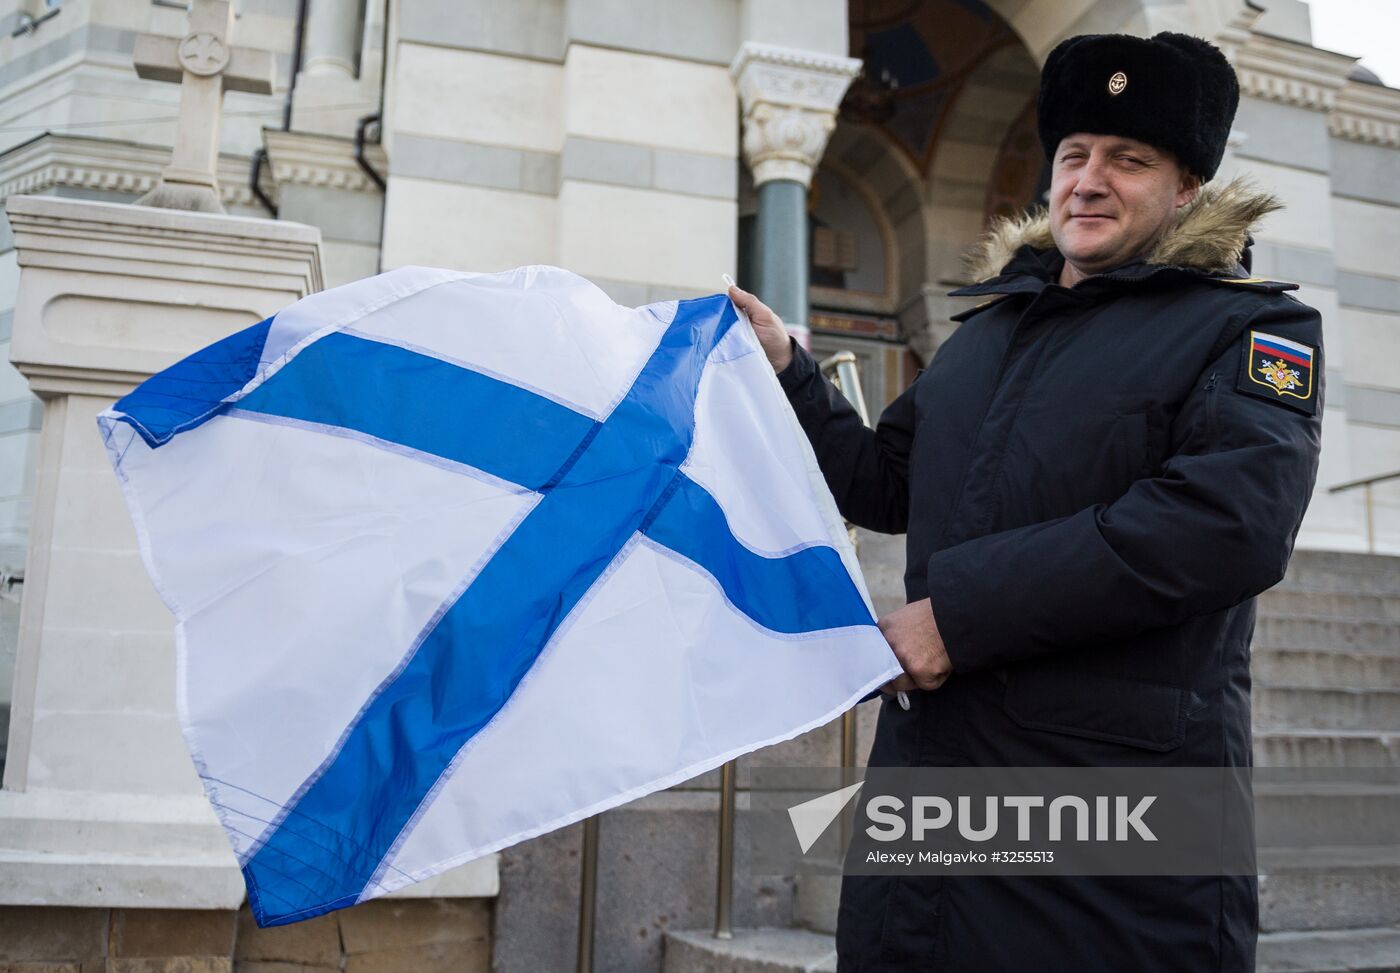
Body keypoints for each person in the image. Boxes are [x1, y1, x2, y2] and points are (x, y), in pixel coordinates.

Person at [729, 31, 1323, 973]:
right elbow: (886, 483)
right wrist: (791, 374)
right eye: (1074, 155)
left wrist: (957, 617)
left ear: (1187, 190)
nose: (1089, 180)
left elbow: (1226, 525)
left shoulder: (1254, 327)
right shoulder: (986, 334)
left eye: (1128, 160)